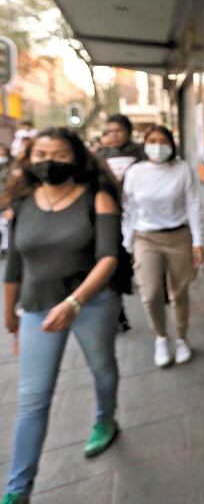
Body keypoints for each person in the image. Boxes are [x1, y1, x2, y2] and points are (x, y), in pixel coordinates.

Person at [2, 128, 122, 503]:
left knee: (102, 368)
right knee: (33, 399)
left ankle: (105, 418)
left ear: (76, 158)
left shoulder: (97, 198)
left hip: (91, 304)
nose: (49, 162)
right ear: (29, 158)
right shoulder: (22, 204)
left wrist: (75, 302)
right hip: (38, 308)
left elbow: (108, 257)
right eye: (40, 154)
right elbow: (15, 265)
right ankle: (17, 490)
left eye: (59, 154)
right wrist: (10, 315)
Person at [123, 125, 204, 366]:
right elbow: (129, 209)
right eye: (152, 141)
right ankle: (160, 336)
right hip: (145, 238)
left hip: (178, 236)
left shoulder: (182, 169)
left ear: (171, 144)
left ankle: (181, 338)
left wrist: (198, 241)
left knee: (179, 292)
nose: (158, 146)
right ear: (145, 144)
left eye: (163, 141)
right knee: (150, 293)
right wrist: (127, 242)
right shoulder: (135, 172)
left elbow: (192, 204)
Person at [96, 114, 145, 332]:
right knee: (114, 264)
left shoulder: (142, 154)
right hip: (112, 219)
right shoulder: (99, 158)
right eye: (109, 131)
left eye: (118, 131)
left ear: (128, 131)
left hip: (140, 217)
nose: (113, 135)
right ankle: (119, 314)